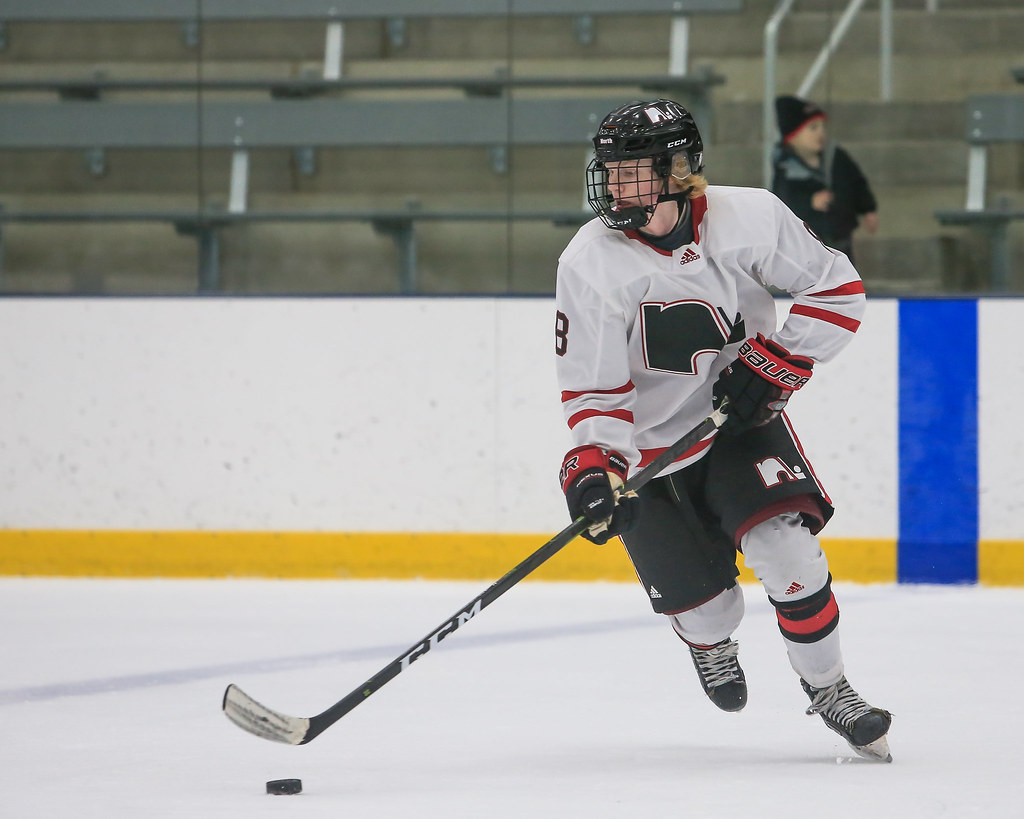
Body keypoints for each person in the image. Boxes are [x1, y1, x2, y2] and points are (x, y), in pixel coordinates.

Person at [554, 99, 892, 762]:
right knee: (711, 612)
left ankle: (830, 688)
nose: (613, 185)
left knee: (789, 554)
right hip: (650, 453)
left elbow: (837, 286)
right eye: (610, 170)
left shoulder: (752, 217)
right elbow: (594, 388)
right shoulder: (588, 263)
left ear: (677, 170)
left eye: (631, 171)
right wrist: (596, 467)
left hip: (738, 425)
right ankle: (709, 643)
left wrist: (780, 362)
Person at [771, 94, 878, 263]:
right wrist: (809, 202)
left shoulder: (837, 157)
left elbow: (857, 182)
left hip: (840, 235)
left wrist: (867, 209)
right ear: (793, 137)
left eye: (823, 127)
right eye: (813, 128)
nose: (821, 132)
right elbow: (783, 200)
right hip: (806, 242)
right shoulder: (786, 169)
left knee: (842, 272)